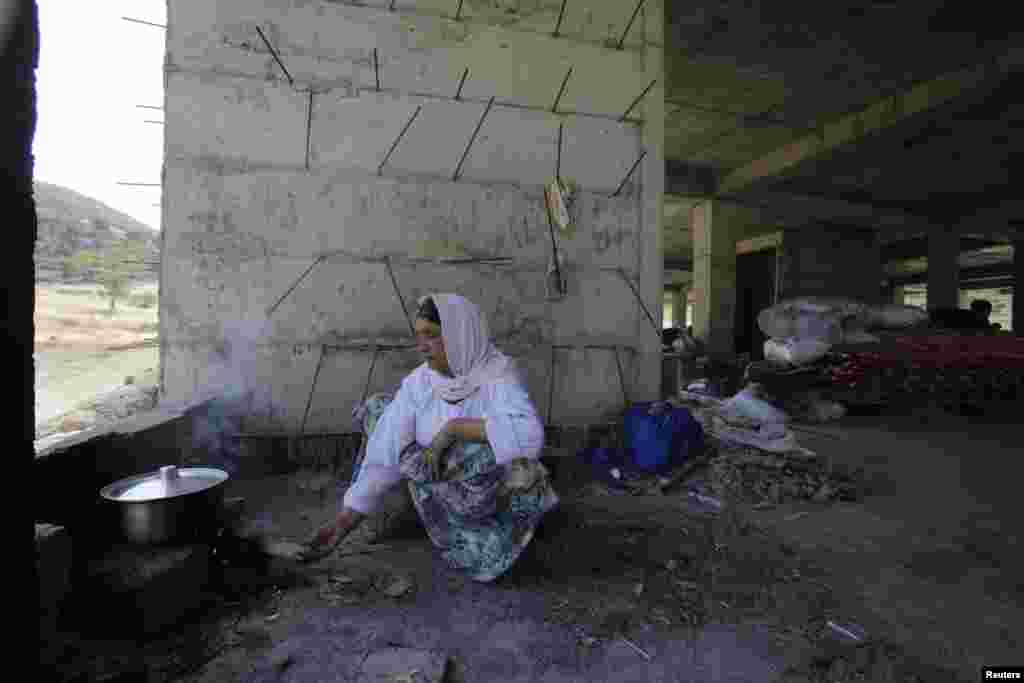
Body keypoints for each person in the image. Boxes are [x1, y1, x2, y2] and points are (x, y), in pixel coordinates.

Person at [298, 293, 559, 582]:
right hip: (439, 486)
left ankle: (502, 537)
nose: (422, 347)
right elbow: (385, 448)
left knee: (504, 459)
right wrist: (342, 524)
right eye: (419, 336)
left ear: (460, 335)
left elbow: (530, 436)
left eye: (432, 336)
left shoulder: (496, 376)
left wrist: (453, 430)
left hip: (482, 501)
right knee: (382, 413)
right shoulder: (421, 382)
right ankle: (408, 512)